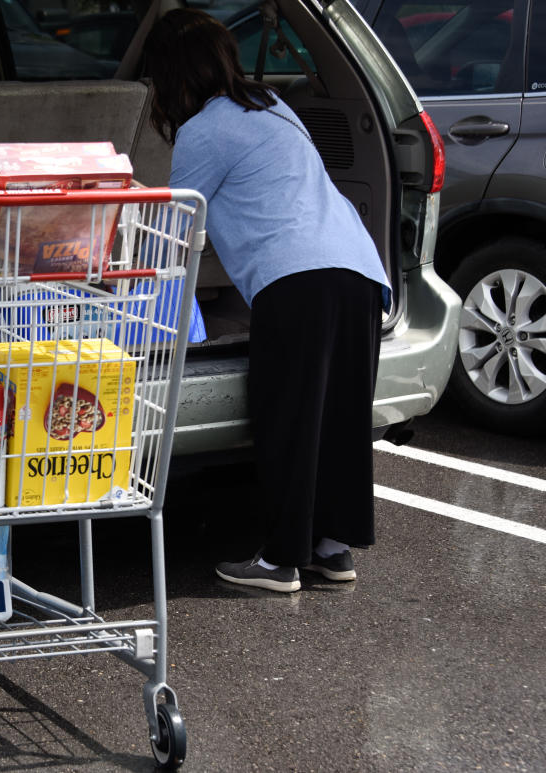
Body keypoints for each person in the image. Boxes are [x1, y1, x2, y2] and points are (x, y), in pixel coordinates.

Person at [143, 9, 391, 593]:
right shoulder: (272, 108)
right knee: (339, 416)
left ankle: (280, 562)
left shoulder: (204, 130)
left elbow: (171, 225)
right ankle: (332, 549)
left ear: (172, 76)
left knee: (289, 416)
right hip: (357, 269)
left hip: (296, 279)